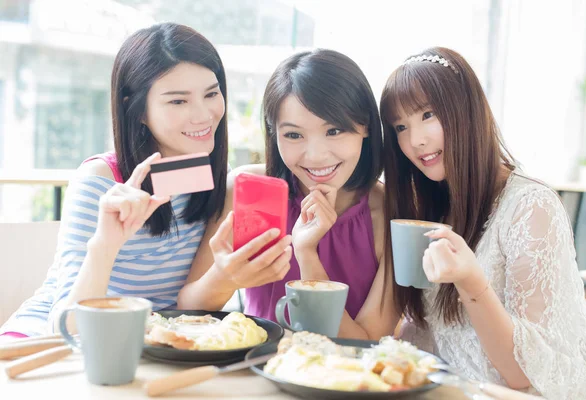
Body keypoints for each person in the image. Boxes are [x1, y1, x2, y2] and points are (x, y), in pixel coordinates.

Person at [379, 47, 586, 399]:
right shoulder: (434, 206)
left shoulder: (531, 209)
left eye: (428, 114)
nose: (415, 140)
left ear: (466, 112)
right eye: (400, 127)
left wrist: (471, 282)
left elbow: (523, 375)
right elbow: (427, 329)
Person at [1, 23, 235, 338]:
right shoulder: (100, 181)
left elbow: (188, 304)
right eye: (178, 101)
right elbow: (67, 326)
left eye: (211, 93)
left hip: (143, 342)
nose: (204, 114)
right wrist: (107, 244)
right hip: (50, 340)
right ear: (136, 109)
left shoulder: (212, 178)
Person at [178, 49, 398, 339]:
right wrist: (227, 277)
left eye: (334, 131)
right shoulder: (248, 190)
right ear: (274, 134)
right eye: (294, 135)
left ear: (366, 126)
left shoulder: (390, 214)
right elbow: (188, 309)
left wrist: (307, 255)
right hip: (251, 372)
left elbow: (366, 343)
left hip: (342, 379)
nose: (316, 156)